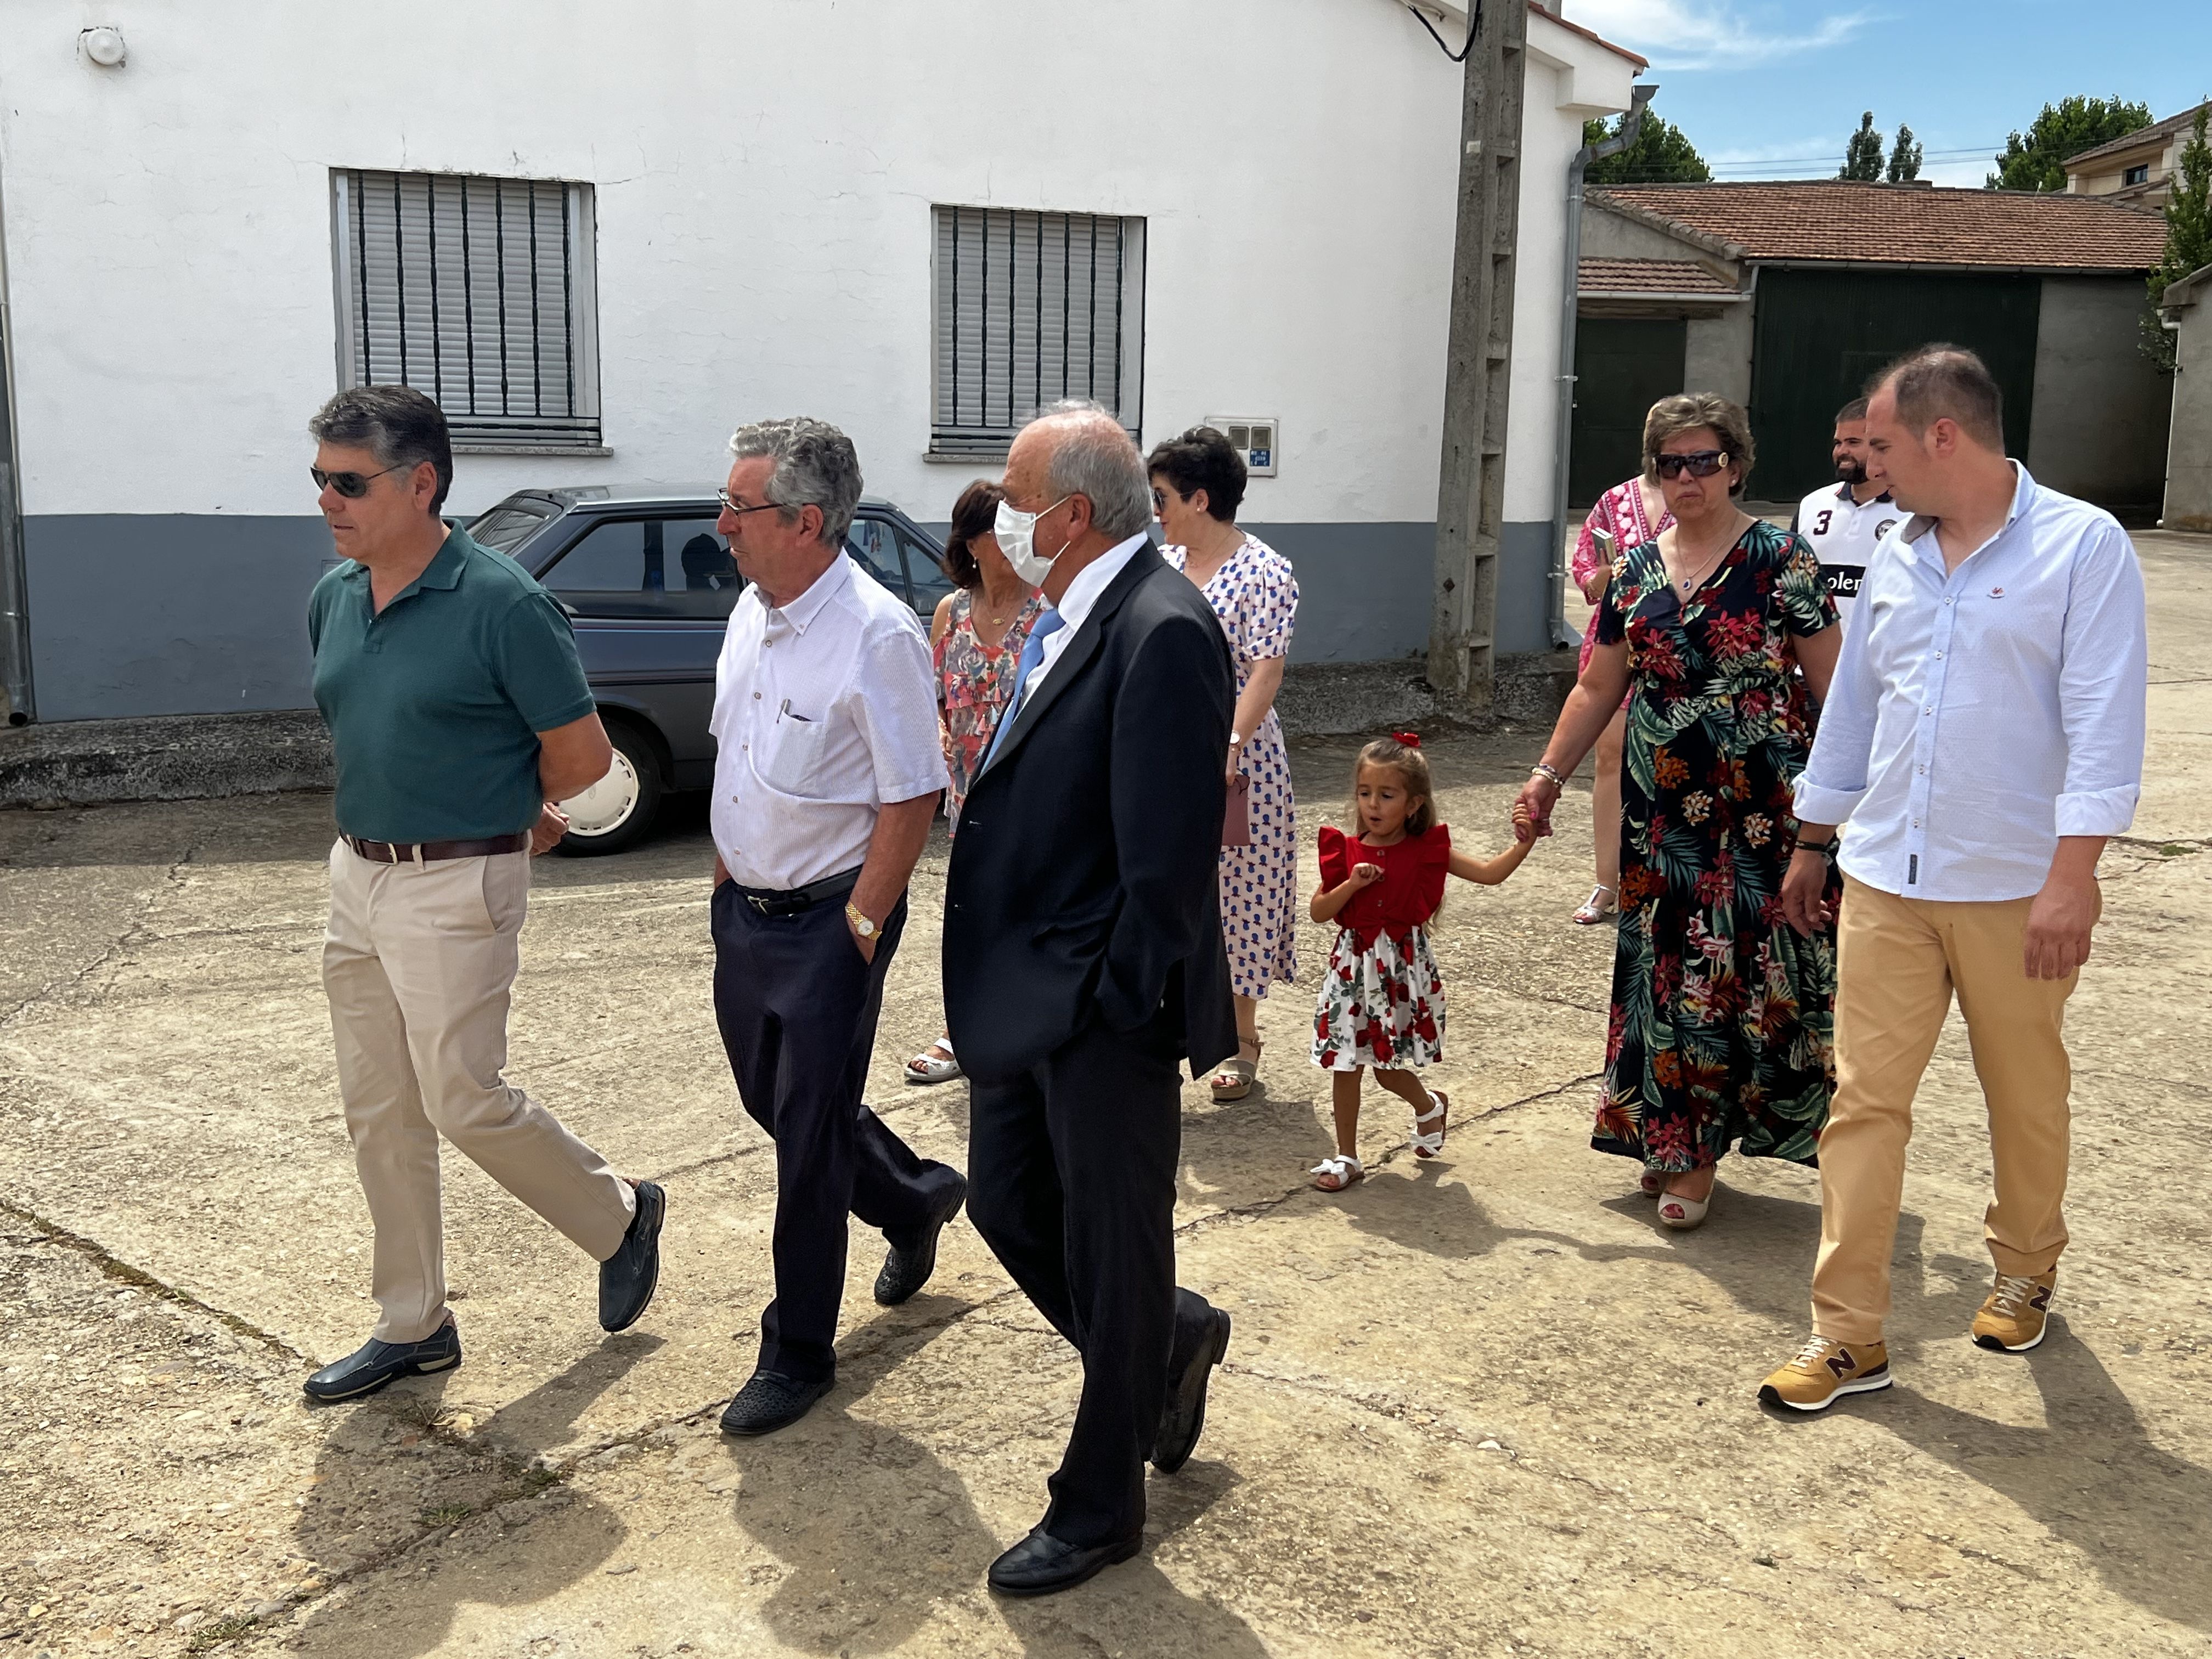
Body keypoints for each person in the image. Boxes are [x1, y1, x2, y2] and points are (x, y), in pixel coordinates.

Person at [1758, 347, 2147, 1412]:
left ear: (1943, 436)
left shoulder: (2083, 547)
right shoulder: (1896, 553)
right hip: (1887, 876)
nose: (1866, 468)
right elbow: (1856, 712)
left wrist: (2076, 879)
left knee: (2023, 1093)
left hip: (2016, 884)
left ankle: (2026, 1266)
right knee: (1863, 1104)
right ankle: (1849, 1337)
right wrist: (1813, 840)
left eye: (1879, 446)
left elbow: (2106, 727)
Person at [300, 385, 663, 1403]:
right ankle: (413, 1321)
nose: (328, 498)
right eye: (319, 478)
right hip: (355, 872)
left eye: (349, 481)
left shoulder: (502, 600)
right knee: (379, 1108)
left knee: (462, 1095)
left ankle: (620, 1214)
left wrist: (518, 821)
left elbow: (585, 755)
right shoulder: (336, 593)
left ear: (423, 483)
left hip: (458, 877)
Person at [943, 400, 1238, 1597]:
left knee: (1116, 1247)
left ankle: (1102, 1501)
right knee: (1008, 1204)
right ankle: (1166, 1340)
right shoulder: (1070, 612)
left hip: (1102, 1006)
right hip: (1033, 993)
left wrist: (1114, 1004)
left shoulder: (1162, 627)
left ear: (1070, 514)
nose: (999, 519)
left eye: (1015, 499)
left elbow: (1167, 866)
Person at [1516, 393, 1843, 1231]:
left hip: (1762, 811)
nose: (1689, 476)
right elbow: (1598, 684)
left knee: (1741, 975)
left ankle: (1695, 1154)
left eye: (1705, 460)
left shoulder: (1780, 560)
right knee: (1669, 972)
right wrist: (1547, 774)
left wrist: (1833, 812)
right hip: (1664, 813)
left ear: (1736, 463)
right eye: (1672, 463)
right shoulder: (1634, 571)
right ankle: (1674, 1135)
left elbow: (1837, 691)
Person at [705, 416, 967, 1438]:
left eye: (740, 506)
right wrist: (725, 878)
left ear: (806, 520)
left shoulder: (878, 632)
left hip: (829, 921)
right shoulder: (752, 608)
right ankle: (912, 1196)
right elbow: (738, 749)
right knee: (771, 1101)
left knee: (806, 1140)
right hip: (746, 916)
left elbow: (912, 795)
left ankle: (797, 1347)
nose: (722, 523)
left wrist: (862, 923)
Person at [1306, 733, 1535, 1192]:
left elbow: (1490, 874)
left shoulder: (1426, 850)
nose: (1373, 804)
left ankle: (1429, 1106)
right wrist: (1352, 885)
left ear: (1413, 804)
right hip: (1352, 971)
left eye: (1387, 795)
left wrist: (1523, 843)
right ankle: (1346, 1156)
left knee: (1389, 1069)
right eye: (1365, 793)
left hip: (1399, 975)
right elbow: (1319, 911)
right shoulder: (1344, 849)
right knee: (1345, 1063)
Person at [1149, 427, 1301, 1101]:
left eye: (1163, 499)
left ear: (1200, 499)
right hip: (1160, 754)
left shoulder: (1266, 571)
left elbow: (1265, 673)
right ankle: (1165, 1028)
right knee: (1164, 889)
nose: (1157, 513)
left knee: (1240, 896)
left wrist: (1229, 748)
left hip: (1238, 763)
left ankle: (1242, 1041)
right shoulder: (1161, 567)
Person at [904, 479, 1044, 1087]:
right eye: (997, 528)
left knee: (1032, 909)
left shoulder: (1049, 610)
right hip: (966, 797)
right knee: (973, 911)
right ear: (973, 541)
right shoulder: (950, 613)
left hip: (1031, 790)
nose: (1012, 539)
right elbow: (933, 703)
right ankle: (963, 1028)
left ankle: (1029, 1027)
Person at [1566, 469, 1673, 926]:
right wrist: (1600, 578)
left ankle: (1664, 877)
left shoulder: (1696, 499)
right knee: (1609, 758)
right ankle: (1607, 882)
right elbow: (1584, 566)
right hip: (1613, 643)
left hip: (1675, 645)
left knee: (1671, 761)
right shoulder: (1615, 499)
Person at [1789, 396, 1906, 631]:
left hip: (1879, 662)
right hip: (1813, 662)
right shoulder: (1812, 505)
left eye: (1853, 442)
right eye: (1838, 443)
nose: (1842, 452)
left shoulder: (1913, 511)